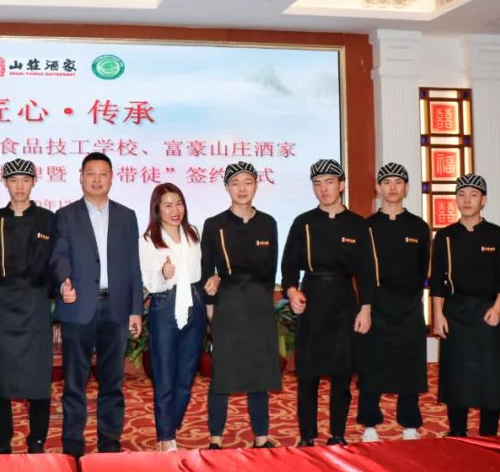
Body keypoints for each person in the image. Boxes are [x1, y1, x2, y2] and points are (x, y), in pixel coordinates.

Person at [51, 152, 143, 457]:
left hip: (116, 308)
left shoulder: (126, 216)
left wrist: (136, 309)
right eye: (90, 173)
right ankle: (73, 443)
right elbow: (59, 256)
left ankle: (110, 442)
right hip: (79, 306)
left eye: (103, 174)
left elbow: (133, 266)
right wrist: (63, 281)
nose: (97, 179)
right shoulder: (66, 215)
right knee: (74, 381)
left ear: (112, 178)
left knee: (112, 381)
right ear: (81, 177)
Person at [282, 158, 375, 447]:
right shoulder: (303, 222)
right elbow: (288, 265)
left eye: (330, 182)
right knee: (307, 374)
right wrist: (292, 291)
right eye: (317, 184)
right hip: (311, 298)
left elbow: (367, 271)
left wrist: (366, 308)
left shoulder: (357, 224)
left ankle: (337, 433)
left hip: (344, 300)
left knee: (342, 373)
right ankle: (307, 435)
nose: (324, 189)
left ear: (342, 185)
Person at [202, 162, 281, 449]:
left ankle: (261, 436)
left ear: (256, 185)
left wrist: (264, 301)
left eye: (248, 182)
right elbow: (206, 272)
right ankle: (216, 438)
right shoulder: (214, 225)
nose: (242, 188)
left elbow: (270, 271)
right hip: (229, 303)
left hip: (259, 303)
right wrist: (211, 306)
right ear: (226, 188)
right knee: (223, 372)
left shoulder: (268, 223)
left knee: (259, 371)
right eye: (235, 183)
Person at [0, 159, 57, 455]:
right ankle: (2, 440)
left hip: (35, 303)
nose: (20, 186)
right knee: (0, 375)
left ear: (34, 182)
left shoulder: (48, 219)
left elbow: (56, 262)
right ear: (5, 183)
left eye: (25, 180)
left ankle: (36, 439)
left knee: (38, 376)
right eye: (13, 180)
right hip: (1, 303)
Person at [430, 173, 500, 437]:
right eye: (462, 195)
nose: (467, 200)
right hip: (455, 311)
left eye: (473, 195)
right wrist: (438, 315)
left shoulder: (497, 235)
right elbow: (438, 280)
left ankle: (489, 434)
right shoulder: (445, 236)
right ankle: (457, 432)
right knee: (456, 374)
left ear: (483, 200)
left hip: (487, 311)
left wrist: (498, 308)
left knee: (490, 374)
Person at [356, 163, 430, 442]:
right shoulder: (367, 226)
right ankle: (369, 424)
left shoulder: (419, 226)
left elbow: (423, 269)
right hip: (376, 305)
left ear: (406, 188)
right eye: (386, 183)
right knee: (372, 365)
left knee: (411, 365)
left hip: (409, 306)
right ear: (378, 188)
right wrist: (366, 306)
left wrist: (412, 297)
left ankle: (410, 423)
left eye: (398, 182)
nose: (392, 188)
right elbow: (363, 270)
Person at [139, 183, 206, 452]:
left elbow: (202, 269)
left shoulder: (194, 233)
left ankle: (169, 426)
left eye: (178, 203)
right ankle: (166, 437)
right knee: (165, 374)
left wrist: (212, 283)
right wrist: (163, 274)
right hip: (165, 305)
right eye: (167, 205)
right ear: (157, 209)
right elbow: (149, 280)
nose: (175, 210)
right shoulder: (148, 240)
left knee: (186, 375)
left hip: (195, 304)